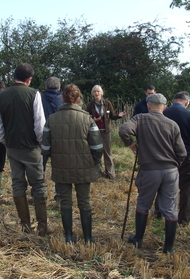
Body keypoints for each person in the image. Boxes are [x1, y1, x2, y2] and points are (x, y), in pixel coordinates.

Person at [119, 93, 186, 253]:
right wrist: (175, 166)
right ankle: (168, 248)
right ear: (164, 107)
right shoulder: (172, 125)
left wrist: (131, 144)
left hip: (150, 170)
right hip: (170, 171)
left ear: (149, 105)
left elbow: (123, 130)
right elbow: (182, 153)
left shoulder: (140, 119)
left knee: (143, 203)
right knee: (170, 208)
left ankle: (138, 239)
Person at [0, 63, 53, 236]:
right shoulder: (34, 94)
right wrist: (42, 145)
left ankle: (25, 226)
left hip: (12, 148)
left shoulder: (1, 97)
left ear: (15, 76)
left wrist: (6, 141)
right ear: (29, 79)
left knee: (18, 184)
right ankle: (42, 226)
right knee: (38, 185)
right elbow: (39, 124)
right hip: (31, 148)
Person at [41, 84, 103, 243]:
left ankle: (69, 236)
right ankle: (88, 238)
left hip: (61, 166)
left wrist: (46, 162)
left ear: (62, 98)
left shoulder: (51, 119)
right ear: (78, 99)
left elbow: (46, 147)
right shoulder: (87, 119)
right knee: (84, 201)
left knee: (65, 202)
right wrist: (94, 163)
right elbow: (97, 147)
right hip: (84, 167)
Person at [163, 91, 190, 226]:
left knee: (165, 187)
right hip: (188, 157)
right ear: (187, 102)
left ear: (174, 100)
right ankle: (183, 220)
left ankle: (161, 213)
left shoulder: (165, 113)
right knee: (187, 190)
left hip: (168, 157)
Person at [86, 85, 126, 180]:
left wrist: (119, 116)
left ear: (101, 93)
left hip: (106, 132)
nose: (96, 93)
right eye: (95, 91)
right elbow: (86, 118)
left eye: (98, 91)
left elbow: (112, 116)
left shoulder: (107, 103)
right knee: (96, 153)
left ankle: (111, 174)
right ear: (92, 93)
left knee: (107, 153)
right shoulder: (90, 105)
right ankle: (98, 173)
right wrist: (93, 120)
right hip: (95, 133)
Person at [41, 76, 63, 206]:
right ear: (59, 87)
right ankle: (60, 198)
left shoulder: (39, 99)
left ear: (46, 87)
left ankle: (39, 195)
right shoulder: (62, 100)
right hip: (58, 138)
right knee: (59, 169)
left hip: (42, 137)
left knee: (40, 167)